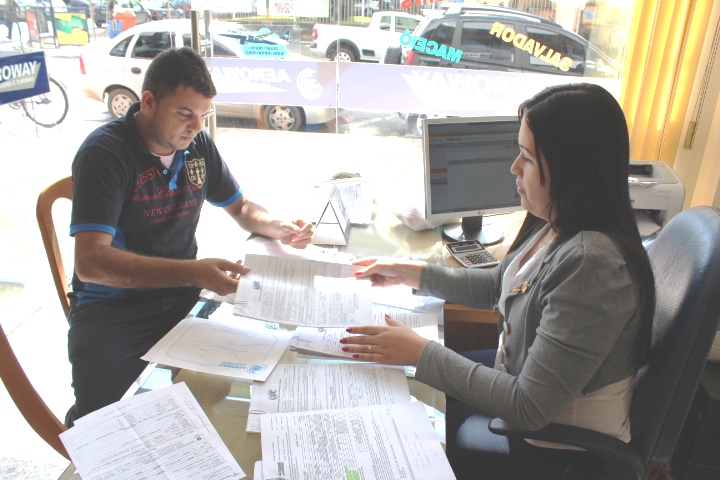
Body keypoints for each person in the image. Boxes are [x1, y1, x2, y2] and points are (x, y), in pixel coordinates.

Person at [340, 83, 655, 479]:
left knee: (408, 426)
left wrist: (420, 353)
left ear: (572, 171)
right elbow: (501, 286)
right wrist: (412, 273)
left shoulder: (592, 265)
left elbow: (529, 407)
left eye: (528, 158)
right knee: (409, 389)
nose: (514, 168)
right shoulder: (555, 220)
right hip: (521, 383)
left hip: (554, 450)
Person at [66, 47, 314, 426]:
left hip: (183, 300)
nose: (196, 126)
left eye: (204, 115)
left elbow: (240, 207)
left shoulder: (196, 145)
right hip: (113, 313)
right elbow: (91, 263)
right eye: (184, 114)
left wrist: (277, 226)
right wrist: (193, 272)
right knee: (102, 425)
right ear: (148, 102)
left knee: (249, 386)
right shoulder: (105, 153)